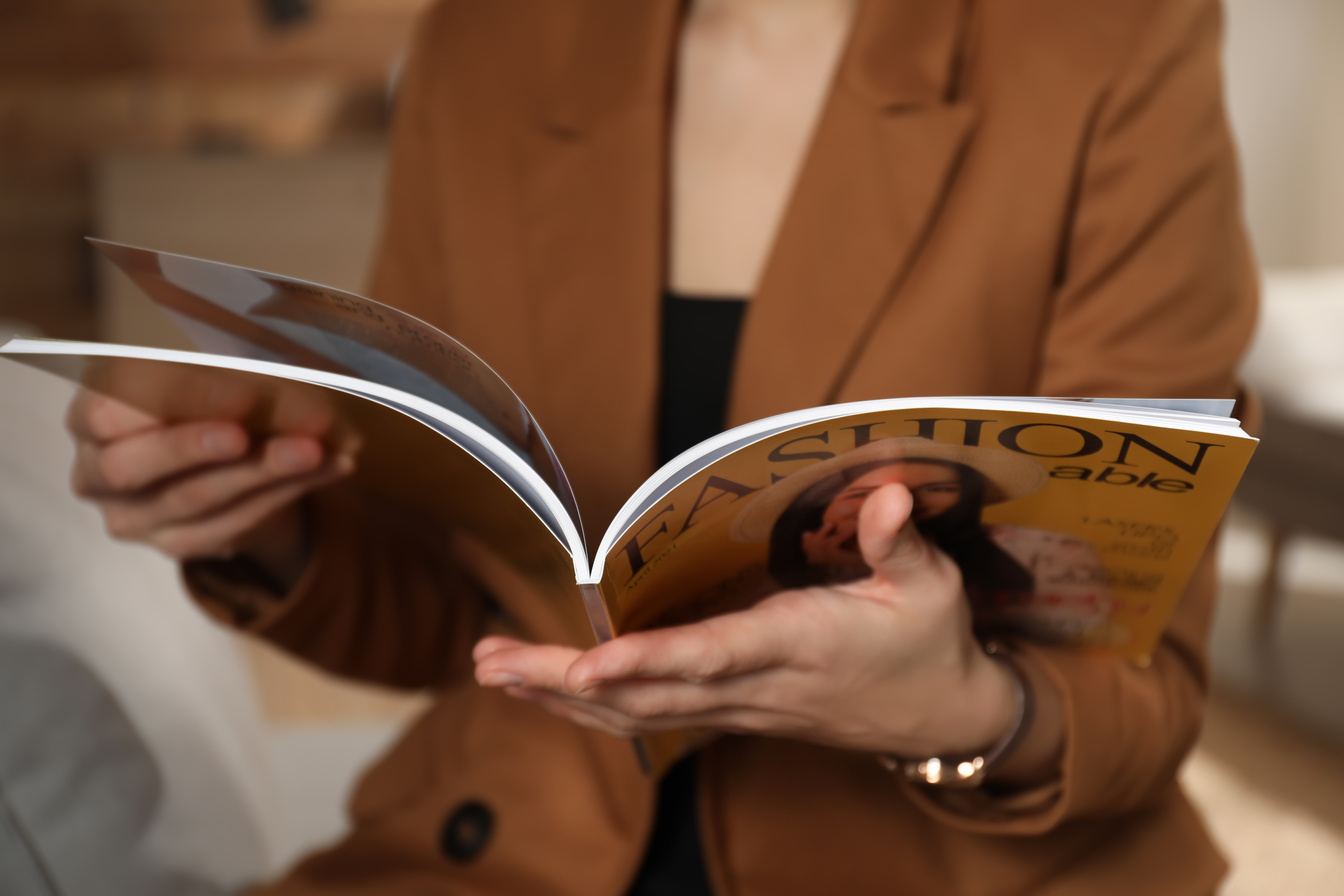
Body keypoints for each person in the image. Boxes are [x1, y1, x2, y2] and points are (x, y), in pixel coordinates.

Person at [65, 0, 1258, 893]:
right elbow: (456, 611)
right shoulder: (487, 43)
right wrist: (266, 519)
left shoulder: (1113, 42)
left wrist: (958, 708)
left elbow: (1143, 700)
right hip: (506, 849)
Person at [742, 437, 1113, 643]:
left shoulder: (1044, 553)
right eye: (859, 495)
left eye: (937, 489)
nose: (904, 502)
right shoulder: (770, 583)